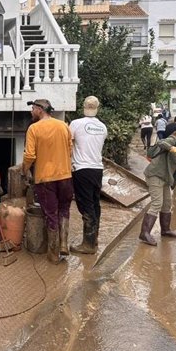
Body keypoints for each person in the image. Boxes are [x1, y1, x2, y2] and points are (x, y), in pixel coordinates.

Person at [22, 99, 73, 264]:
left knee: (51, 213)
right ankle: (64, 244)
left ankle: (53, 253)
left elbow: (30, 155)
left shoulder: (34, 128)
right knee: (64, 209)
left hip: (46, 178)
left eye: (32, 108)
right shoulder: (63, 126)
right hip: (66, 176)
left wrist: (25, 170)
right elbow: (70, 148)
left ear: (39, 110)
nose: (31, 112)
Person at [140, 131, 176, 246]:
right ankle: (144, 233)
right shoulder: (174, 140)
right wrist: (174, 149)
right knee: (157, 203)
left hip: (166, 179)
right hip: (155, 174)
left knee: (167, 203)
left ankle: (165, 230)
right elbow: (161, 143)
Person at [69, 96, 108, 254]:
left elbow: (68, 144)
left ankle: (88, 245)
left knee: (85, 205)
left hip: (82, 169)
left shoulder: (76, 124)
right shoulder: (103, 127)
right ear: (97, 107)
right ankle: (94, 239)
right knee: (94, 203)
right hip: (97, 169)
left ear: (84, 107)